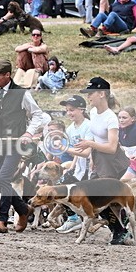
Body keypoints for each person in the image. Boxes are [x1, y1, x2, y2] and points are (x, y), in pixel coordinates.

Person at [0, 59, 44, 234]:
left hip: (15, 144)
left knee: (3, 180)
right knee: (1, 184)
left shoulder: (21, 94)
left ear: (8, 75)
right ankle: (23, 209)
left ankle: (2, 220)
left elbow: (38, 115)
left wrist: (29, 133)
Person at [73, 77, 132, 244]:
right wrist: (92, 155)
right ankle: (120, 229)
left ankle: (120, 230)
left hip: (112, 163)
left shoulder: (111, 118)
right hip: (100, 160)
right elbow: (93, 135)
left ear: (102, 94)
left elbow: (112, 147)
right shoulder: (93, 113)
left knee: (103, 199)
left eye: (91, 93)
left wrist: (90, 144)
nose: (88, 96)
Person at [54, 94, 93, 234]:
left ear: (81, 109)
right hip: (79, 168)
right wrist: (72, 166)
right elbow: (77, 151)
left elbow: (87, 152)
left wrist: (63, 148)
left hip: (91, 168)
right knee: (60, 187)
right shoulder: (71, 129)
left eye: (72, 110)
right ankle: (73, 218)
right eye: (68, 110)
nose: (69, 113)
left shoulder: (88, 126)